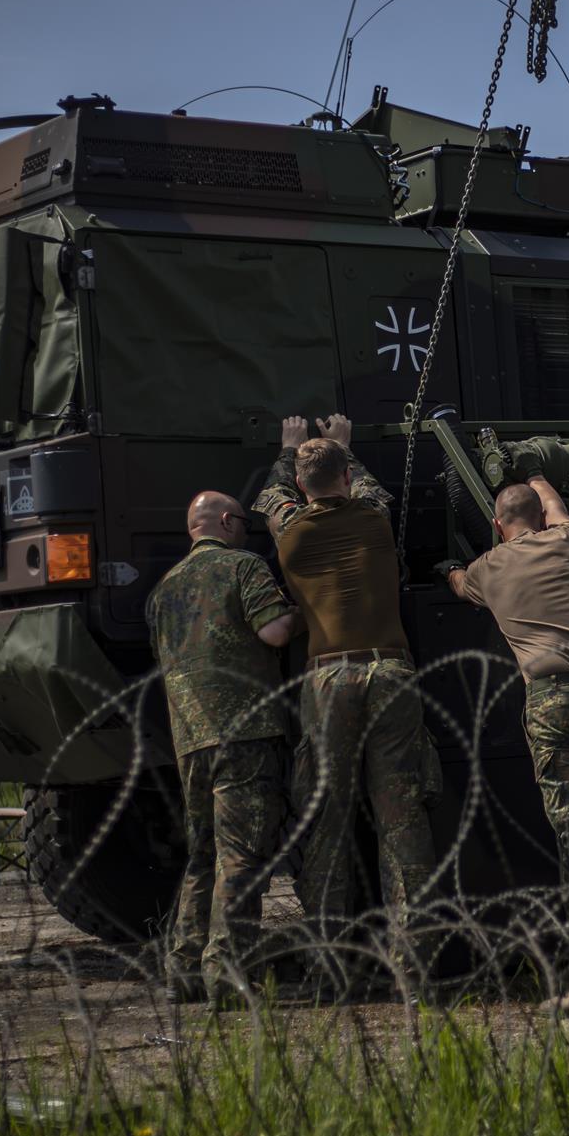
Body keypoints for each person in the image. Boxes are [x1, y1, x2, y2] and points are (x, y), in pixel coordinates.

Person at [440, 472, 569, 1014]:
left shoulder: (490, 566)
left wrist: (452, 570)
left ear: (500, 526)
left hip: (556, 697)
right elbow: (555, 506)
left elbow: (460, 586)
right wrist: (537, 477)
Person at [254, 414, 439, 953]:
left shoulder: (287, 525)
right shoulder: (375, 516)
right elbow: (362, 484)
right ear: (344, 477)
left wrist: (289, 449)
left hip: (328, 677)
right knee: (401, 821)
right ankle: (414, 959)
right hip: (390, 672)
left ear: (300, 484)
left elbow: (271, 494)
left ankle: (328, 961)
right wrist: (342, 445)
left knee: (325, 821)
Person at [146, 490, 300, 1004]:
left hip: (190, 739)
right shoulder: (243, 567)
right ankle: (229, 975)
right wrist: (304, 608)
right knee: (243, 856)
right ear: (229, 522)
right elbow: (275, 632)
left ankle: (184, 970)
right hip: (245, 733)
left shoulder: (164, 589)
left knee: (202, 855)